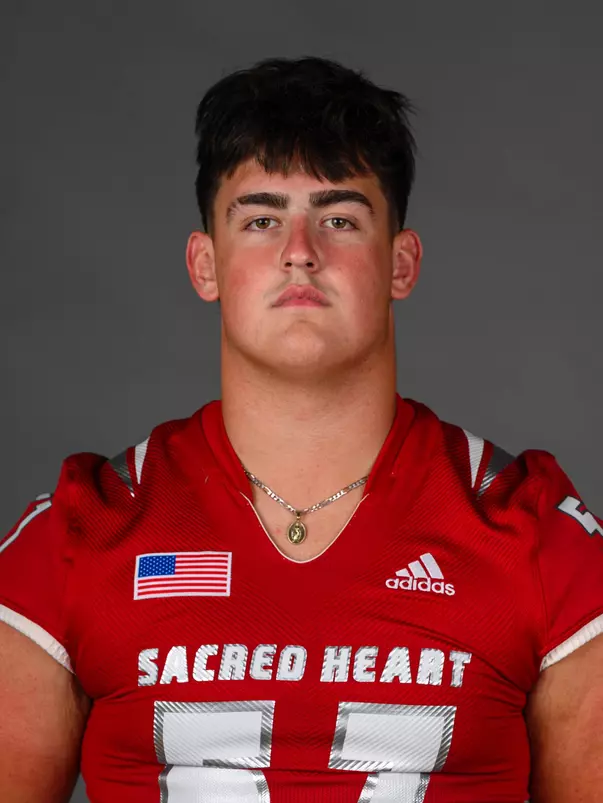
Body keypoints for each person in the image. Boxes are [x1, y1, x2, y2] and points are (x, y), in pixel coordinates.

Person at [0, 56, 602, 803]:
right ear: (204, 263)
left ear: (400, 263)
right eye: (260, 219)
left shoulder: (532, 529)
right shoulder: (83, 527)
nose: (299, 250)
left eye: (339, 218)